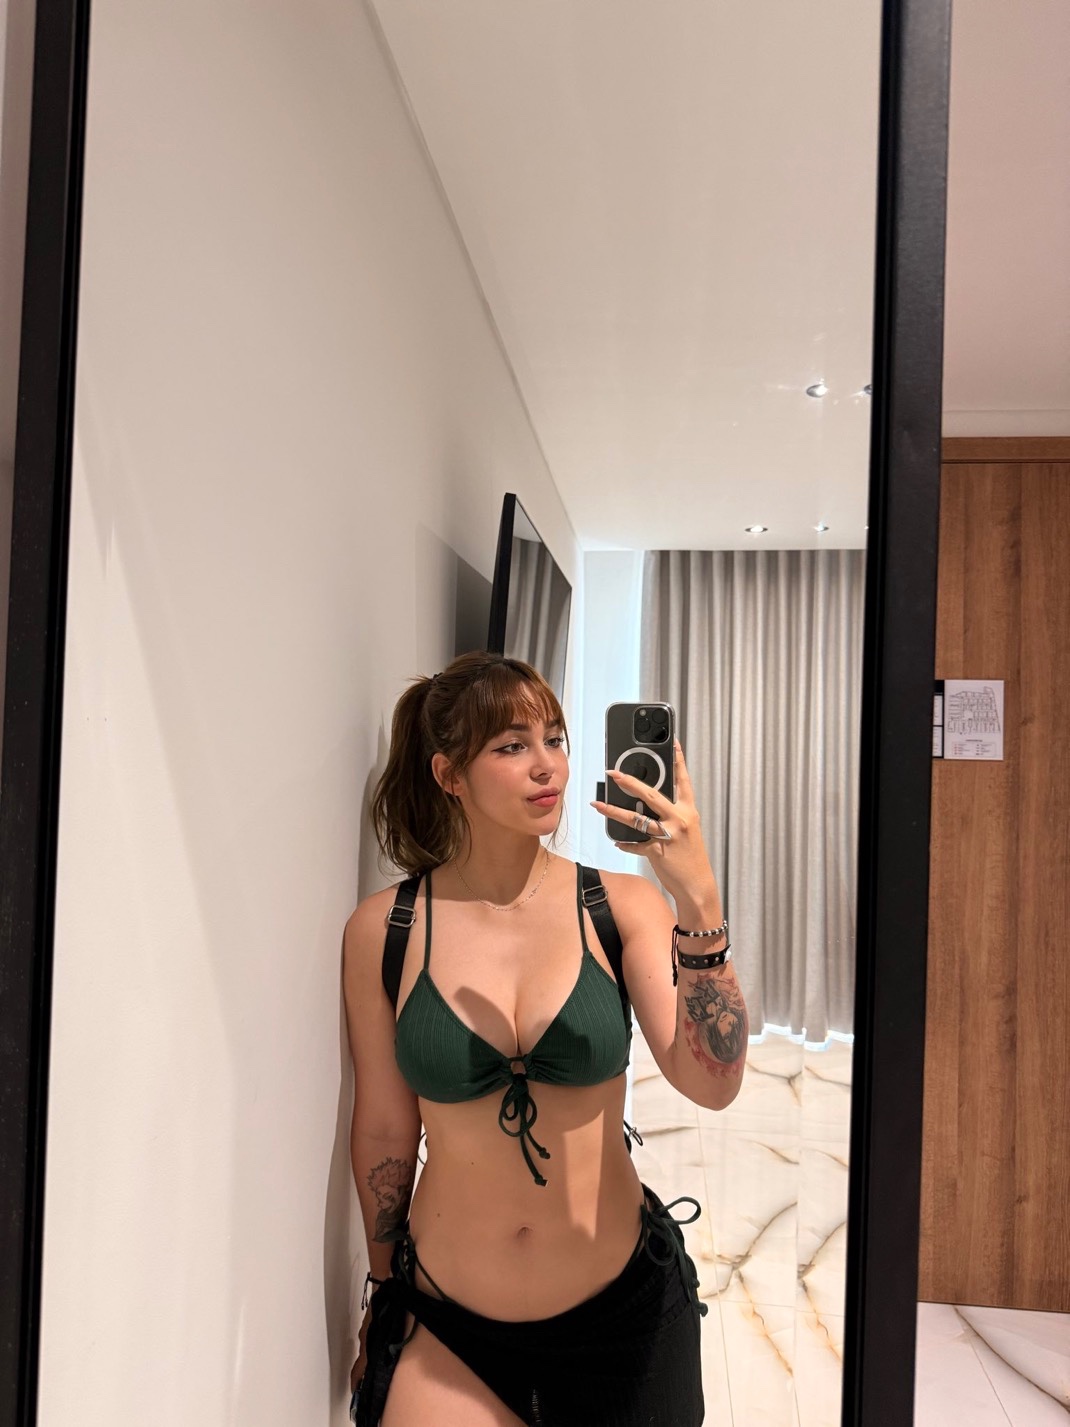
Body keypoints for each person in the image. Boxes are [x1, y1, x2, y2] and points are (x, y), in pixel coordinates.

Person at [342, 651, 747, 1426]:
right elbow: (386, 1130)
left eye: (554, 738)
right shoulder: (384, 930)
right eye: (512, 745)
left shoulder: (619, 906)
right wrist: (386, 1288)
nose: (546, 765)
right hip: (449, 1323)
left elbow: (713, 1081)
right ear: (449, 774)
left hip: (622, 1317)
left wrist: (697, 897)